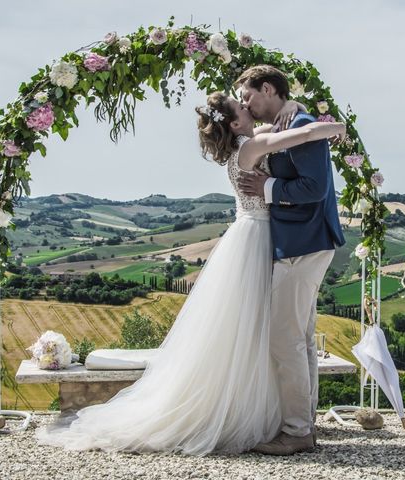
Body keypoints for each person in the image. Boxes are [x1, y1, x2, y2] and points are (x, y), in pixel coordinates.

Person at [34, 91, 346, 457]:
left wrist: (295, 106)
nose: (248, 107)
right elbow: (303, 136)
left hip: (249, 237)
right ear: (234, 123)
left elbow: (283, 124)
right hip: (259, 239)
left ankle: (278, 416)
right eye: (242, 106)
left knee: (251, 330)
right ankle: (270, 418)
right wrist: (334, 127)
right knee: (264, 331)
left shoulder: (242, 146)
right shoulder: (253, 145)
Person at [236, 65, 346, 455]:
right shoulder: (284, 125)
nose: (247, 105)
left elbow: (314, 188)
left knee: (286, 340)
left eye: (248, 96)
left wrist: (267, 186)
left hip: (306, 242)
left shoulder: (299, 123)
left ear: (268, 89)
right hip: (297, 242)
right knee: (298, 338)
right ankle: (305, 423)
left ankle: (297, 431)